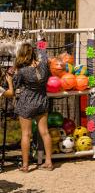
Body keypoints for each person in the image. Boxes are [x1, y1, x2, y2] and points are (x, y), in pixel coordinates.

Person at [13, 43, 53, 172]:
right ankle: (49, 162)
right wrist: (42, 41)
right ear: (34, 53)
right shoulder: (43, 65)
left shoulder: (22, 71)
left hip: (27, 103)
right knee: (45, 132)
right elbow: (44, 54)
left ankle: (25, 165)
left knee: (26, 134)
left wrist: (10, 77)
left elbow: (15, 85)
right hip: (42, 101)